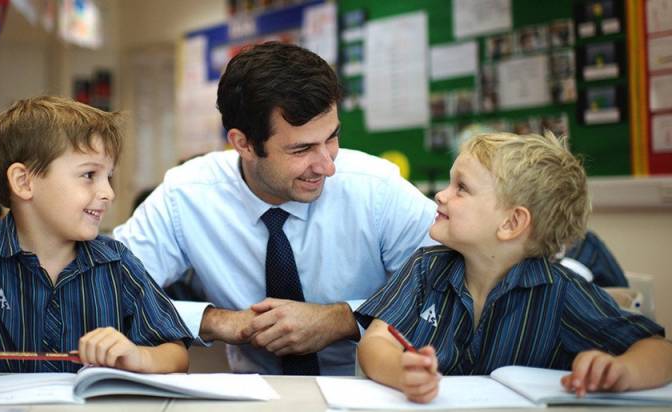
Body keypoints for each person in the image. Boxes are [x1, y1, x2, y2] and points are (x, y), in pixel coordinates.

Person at [113, 41, 437, 375]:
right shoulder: (186, 195)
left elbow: (448, 286)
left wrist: (342, 319)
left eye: (332, 137)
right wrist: (215, 321)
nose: (327, 166)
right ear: (243, 144)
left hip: (372, 387)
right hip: (253, 391)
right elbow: (106, 289)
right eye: (302, 150)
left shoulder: (376, 189)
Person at [0, 96, 191, 397]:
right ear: (24, 182)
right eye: (89, 175)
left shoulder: (117, 263)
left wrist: (139, 356)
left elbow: (175, 353)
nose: (108, 192)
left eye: (108, 177)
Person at [355, 132, 671, 403]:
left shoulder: (561, 292)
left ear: (511, 223)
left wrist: (621, 371)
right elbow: (375, 342)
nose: (440, 195)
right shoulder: (425, 268)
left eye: (461, 187)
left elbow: (659, 350)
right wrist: (401, 372)